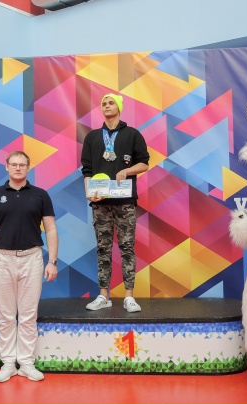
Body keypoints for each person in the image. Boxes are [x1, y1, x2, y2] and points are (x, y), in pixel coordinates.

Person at [0, 151, 59, 383]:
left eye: (22, 165)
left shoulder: (40, 195)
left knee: (28, 315)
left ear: (28, 168)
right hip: (2, 259)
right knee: (5, 315)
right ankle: (8, 364)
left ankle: (26, 364)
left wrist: (52, 261)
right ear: (6, 167)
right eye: (13, 164)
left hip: (32, 259)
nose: (18, 168)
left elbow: (51, 229)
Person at [81, 93, 150, 312]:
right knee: (103, 248)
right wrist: (88, 192)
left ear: (119, 107)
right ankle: (104, 296)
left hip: (125, 201)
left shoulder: (132, 134)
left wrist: (126, 171)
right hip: (100, 203)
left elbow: (144, 163)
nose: (107, 106)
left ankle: (129, 296)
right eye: (104, 103)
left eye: (111, 103)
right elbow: (87, 170)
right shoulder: (92, 137)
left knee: (127, 247)